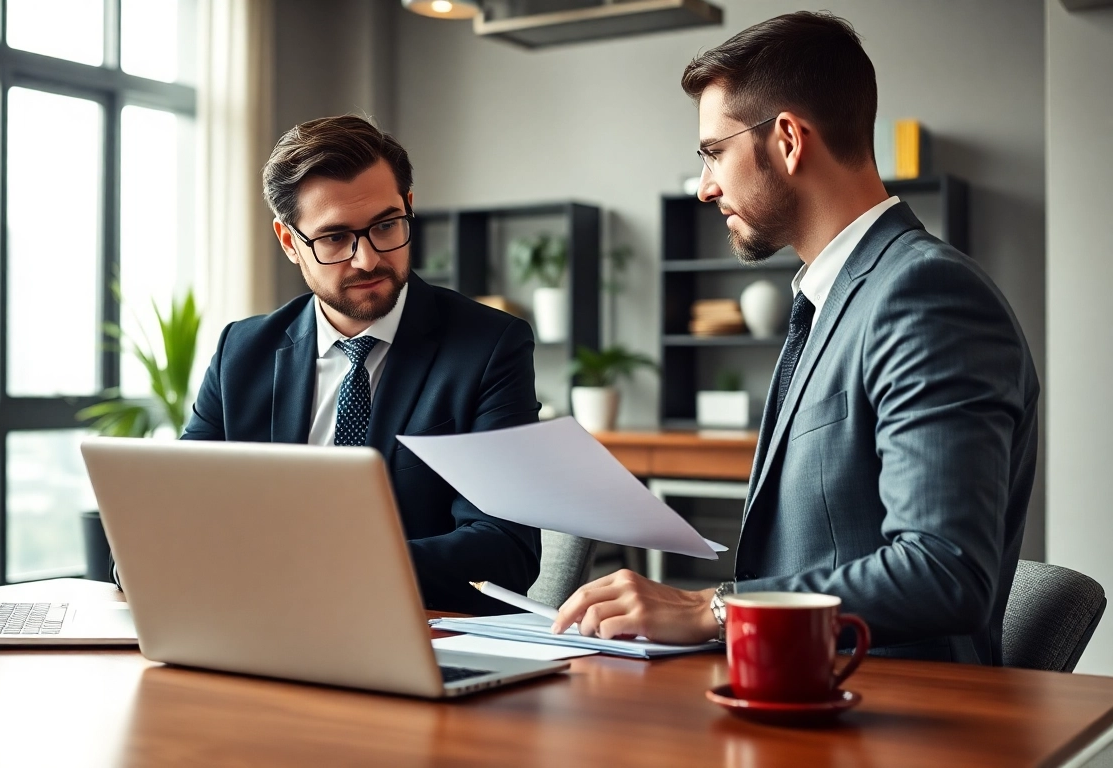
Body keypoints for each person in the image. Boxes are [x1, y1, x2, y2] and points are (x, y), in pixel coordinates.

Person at [553, 12, 1039, 664]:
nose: (705, 187)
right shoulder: (831, 295)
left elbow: (942, 569)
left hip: (892, 719)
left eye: (713, 152)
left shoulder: (926, 296)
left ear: (787, 139)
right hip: (796, 691)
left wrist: (710, 608)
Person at [175, 115, 541, 615]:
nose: (367, 259)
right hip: (257, 624)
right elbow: (169, 519)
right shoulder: (243, 352)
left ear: (409, 208)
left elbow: (507, 551)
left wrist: (322, 568)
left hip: (412, 633)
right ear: (288, 242)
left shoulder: (489, 347)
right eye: (334, 238)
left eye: (386, 226)